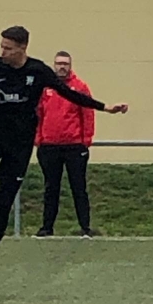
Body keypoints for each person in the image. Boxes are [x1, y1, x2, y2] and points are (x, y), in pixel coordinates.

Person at [0, 26, 128, 289]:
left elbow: (71, 94)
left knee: (3, 206)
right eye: (1, 46)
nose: (2, 52)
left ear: (22, 48)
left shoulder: (38, 71)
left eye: (7, 48)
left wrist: (105, 107)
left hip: (20, 145)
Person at [34, 51, 96, 238]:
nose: (62, 67)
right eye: (59, 63)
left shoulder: (80, 87)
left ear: (70, 66)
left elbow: (88, 114)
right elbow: (38, 114)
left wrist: (86, 140)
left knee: (79, 187)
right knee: (50, 188)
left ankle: (85, 228)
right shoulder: (45, 88)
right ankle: (47, 228)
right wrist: (38, 139)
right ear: (54, 65)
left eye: (65, 64)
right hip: (49, 146)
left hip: (74, 146)